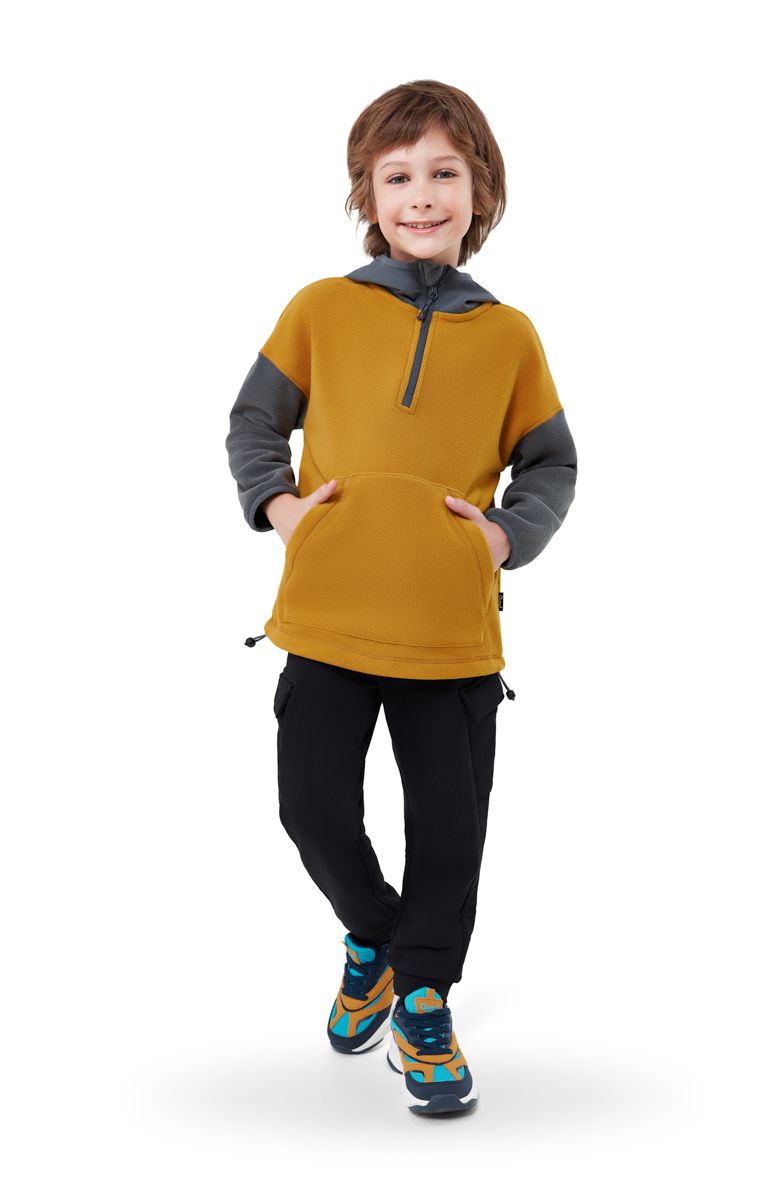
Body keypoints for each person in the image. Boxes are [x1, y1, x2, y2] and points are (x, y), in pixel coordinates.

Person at [225, 80, 578, 1116]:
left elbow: (552, 462)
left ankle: (425, 995)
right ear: (368, 197)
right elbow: (254, 422)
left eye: (443, 173)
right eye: (397, 176)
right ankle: (377, 937)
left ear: (480, 192)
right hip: (327, 617)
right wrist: (281, 509)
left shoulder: (510, 336)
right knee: (311, 809)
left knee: (450, 833)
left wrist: (505, 535)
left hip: (451, 635)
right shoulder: (321, 309)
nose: (421, 195)